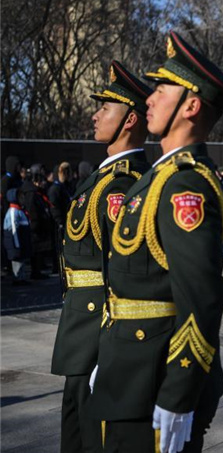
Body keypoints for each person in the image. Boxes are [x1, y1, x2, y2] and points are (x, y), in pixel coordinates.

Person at [88, 31, 223, 453]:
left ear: (191, 106)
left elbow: (201, 299)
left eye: (160, 89)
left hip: (154, 379)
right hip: (131, 370)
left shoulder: (183, 186)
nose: (150, 99)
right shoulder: (159, 177)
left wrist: (178, 397)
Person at [51, 60, 152, 453]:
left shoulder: (122, 184)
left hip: (97, 336)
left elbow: (122, 274)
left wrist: (108, 354)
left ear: (129, 120)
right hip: (80, 332)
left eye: (105, 109)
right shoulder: (103, 176)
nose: (95, 115)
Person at [3, 188, 32, 285]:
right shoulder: (13, 211)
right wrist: (16, 244)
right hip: (16, 242)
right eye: (20, 197)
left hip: (21, 241)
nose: (22, 199)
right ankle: (18, 278)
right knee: (17, 261)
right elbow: (13, 230)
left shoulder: (19, 210)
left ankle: (22, 277)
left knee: (21, 260)